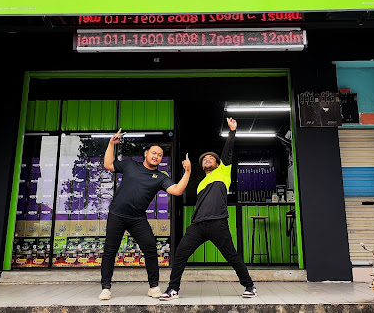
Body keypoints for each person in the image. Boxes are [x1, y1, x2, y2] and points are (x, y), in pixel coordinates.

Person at [160, 118, 257, 300]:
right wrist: (187, 171)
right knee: (180, 254)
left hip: (217, 223)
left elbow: (227, 152)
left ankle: (249, 286)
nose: (207, 159)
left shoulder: (223, 172)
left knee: (232, 256)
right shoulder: (201, 184)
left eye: (211, 157)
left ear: (218, 163)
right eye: (204, 159)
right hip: (197, 225)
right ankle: (173, 289)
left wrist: (232, 131)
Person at [99, 129, 191, 300]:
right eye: (154, 153)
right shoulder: (130, 165)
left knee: (150, 249)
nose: (156, 156)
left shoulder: (160, 177)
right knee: (110, 251)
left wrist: (187, 172)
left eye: (160, 155)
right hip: (117, 214)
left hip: (138, 218)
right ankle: (106, 288)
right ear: (146, 154)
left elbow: (177, 190)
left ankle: (153, 287)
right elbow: (108, 164)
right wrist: (111, 144)